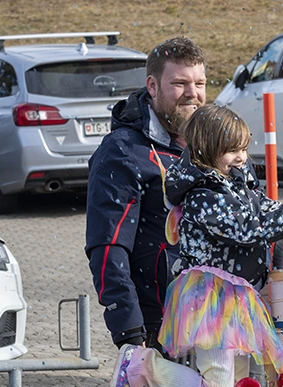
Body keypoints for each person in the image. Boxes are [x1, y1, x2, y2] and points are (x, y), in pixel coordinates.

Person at [108, 105, 283, 387]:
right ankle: (139, 365)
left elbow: (264, 209)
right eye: (232, 151)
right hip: (211, 299)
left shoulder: (235, 182)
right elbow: (247, 229)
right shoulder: (203, 194)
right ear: (207, 149)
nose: (242, 157)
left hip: (238, 297)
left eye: (243, 148)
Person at [86, 36, 206, 351]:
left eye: (200, 83)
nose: (193, 94)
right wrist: (129, 333)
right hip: (158, 328)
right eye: (179, 83)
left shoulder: (213, 146)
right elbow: (108, 247)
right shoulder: (124, 151)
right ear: (152, 86)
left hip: (216, 321)